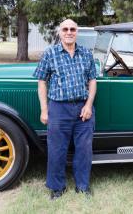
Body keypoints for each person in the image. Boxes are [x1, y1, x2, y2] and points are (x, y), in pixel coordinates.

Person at [33, 19, 97, 200]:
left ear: (77, 32)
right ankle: (57, 187)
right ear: (59, 32)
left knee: (84, 149)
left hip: (82, 109)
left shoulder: (86, 54)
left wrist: (89, 105)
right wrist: (44, 110)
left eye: (73, 29)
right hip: (58, 108)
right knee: (56, 150)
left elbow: (92, 80)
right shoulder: (50, 53)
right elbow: (42, 81)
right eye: (65, 29)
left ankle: (83, 186)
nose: (69, 32)